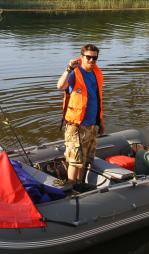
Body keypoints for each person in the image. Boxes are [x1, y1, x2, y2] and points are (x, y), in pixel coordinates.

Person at [56, 44, 104, 185]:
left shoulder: (96, 73)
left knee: (84, 160)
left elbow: (97, 99)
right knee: (74, 161)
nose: (91, 60)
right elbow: (60, 86)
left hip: (91, 125)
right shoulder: (74, 73)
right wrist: (69, 68)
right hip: (76, 126)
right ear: (82, 57)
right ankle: (71, 187)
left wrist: (101, 122)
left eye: (94, 58)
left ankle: (79, 185)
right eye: (88, 57)